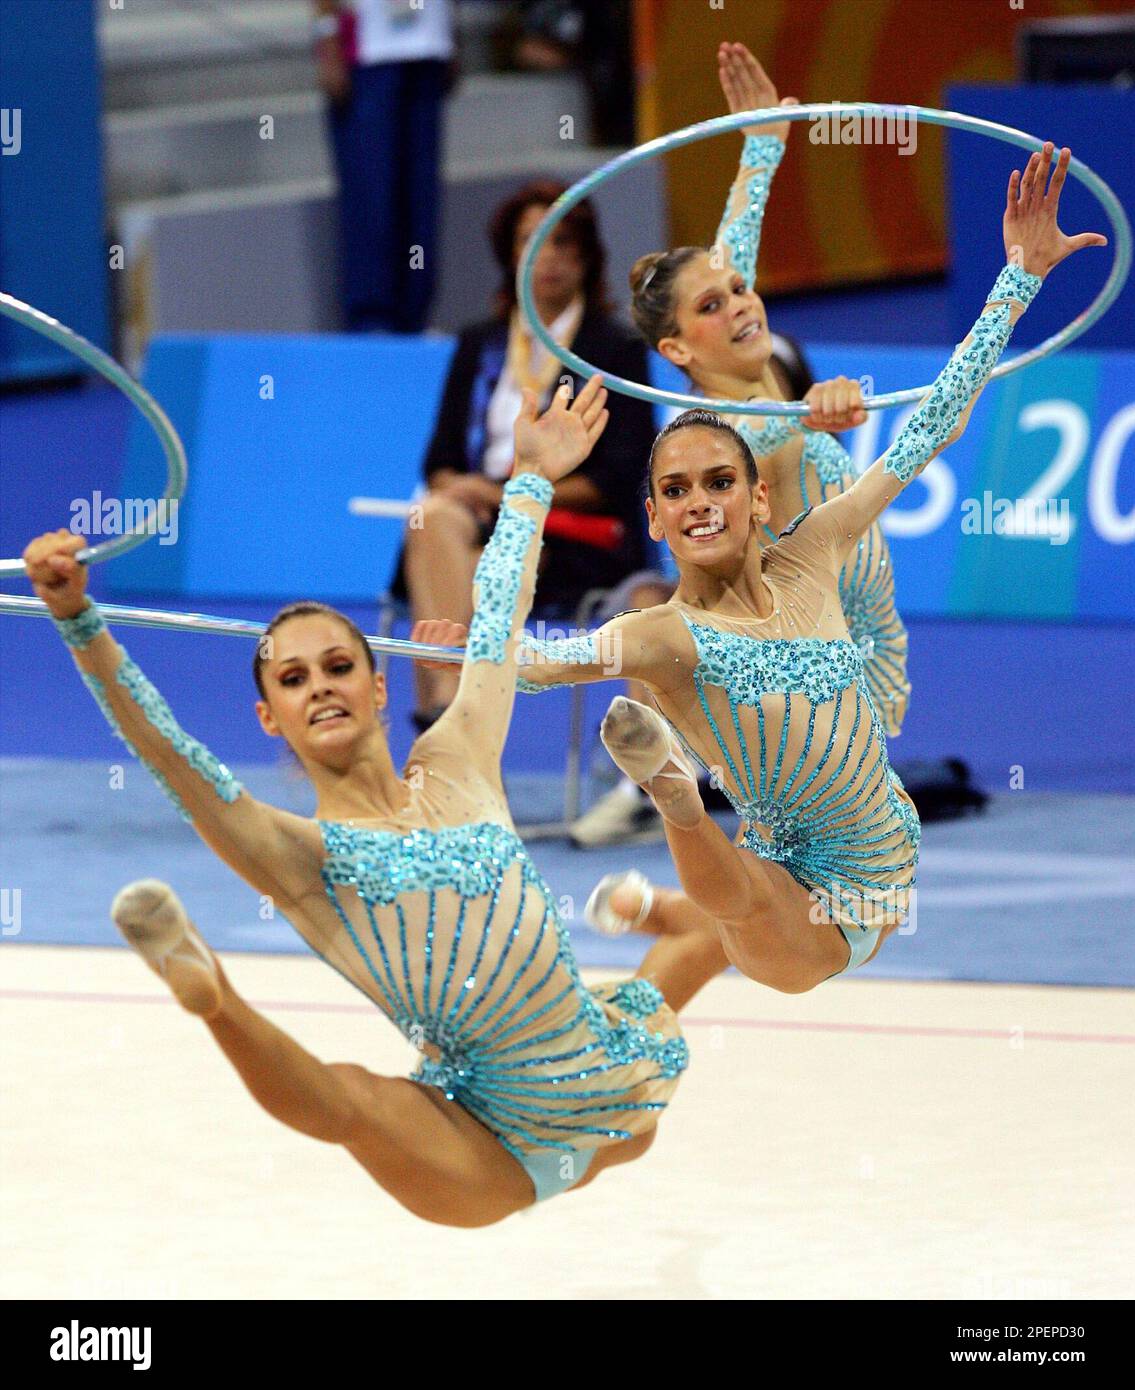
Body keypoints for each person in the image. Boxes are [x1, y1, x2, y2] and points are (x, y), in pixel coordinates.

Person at [417, 142, 1105, 992]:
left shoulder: (804, 527)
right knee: (753, 916)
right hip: (782, 873)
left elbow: (930, 424)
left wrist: (1017, 278)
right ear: (655, 518)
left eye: (716, 485)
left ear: (757, 503)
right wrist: (478, 649)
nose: (701, 499)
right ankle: (669, 794)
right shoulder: (682, 590)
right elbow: (540, 663)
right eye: (676, 491)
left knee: (715, 938)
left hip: (867, 769)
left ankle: (659, 921)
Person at [22, 378, 710, 1228]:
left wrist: (529, 481)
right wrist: (80, 621)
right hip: (484, 1147)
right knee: (351, 1100)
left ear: (379, 688)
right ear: (268, 716)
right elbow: (174, 759)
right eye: (293, 679)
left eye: (338, 667)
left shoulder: (457, 761)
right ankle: (214, 999)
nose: (320, 688)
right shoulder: (303, 857)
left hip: (611, 1081)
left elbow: (496, 621)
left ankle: (670, 898)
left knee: (706, 937)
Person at [569, 42, 908, 850]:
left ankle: (668, 792)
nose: (740, 305)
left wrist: (762, 144)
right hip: (806, 666)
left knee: (800, 899)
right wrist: (816, 407)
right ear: (679, 351)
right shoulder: (726, 435)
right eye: (712, 308)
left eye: (740, 291)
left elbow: (731, 260)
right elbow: (772, 438)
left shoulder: (755, 387)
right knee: (809, 890)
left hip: (868, 649)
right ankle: (665, 801)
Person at [397, 179, 657, 730]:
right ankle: (453, 703)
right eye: (529, 241)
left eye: (562, 241)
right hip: (472, 520)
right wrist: (467, 492)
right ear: (509, 255)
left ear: (586, 256)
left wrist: (511, 494)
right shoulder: (478, 342)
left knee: (450, 542)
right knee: (434, 519)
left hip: (569, 531)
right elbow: (439, 459)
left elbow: (618, 477)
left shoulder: (615, 348)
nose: (547, 257)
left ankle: (446, 716)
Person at [314, 0, 455, 333]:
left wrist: (452, 31)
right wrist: (327, 34)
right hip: (367, 50)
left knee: (421, 200)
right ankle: (372, 321)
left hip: (429, 44)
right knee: (371, 199)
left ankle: (415, 317)